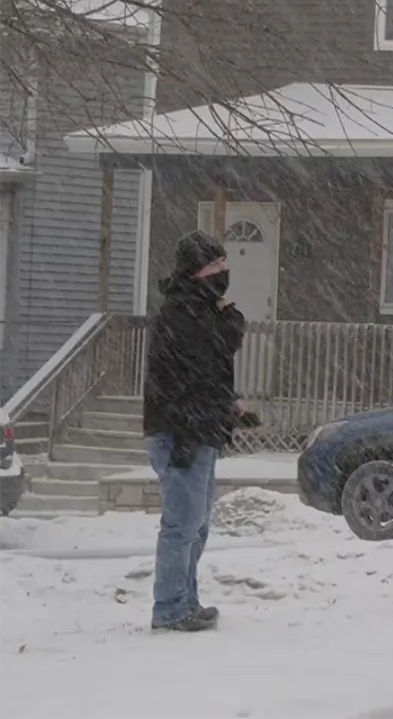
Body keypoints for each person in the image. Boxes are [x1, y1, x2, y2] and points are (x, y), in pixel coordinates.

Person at [143, 230, 247, 631]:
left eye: (225, 264)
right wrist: (231, 322)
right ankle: (169, 607)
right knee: (181, 524)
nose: (224, 272)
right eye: (217, 266)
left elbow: (209, 373)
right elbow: (193, 370)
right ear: (198, 271)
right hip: (180, 432)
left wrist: (230, 404)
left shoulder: (201, 310)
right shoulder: (183, 313)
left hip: (199, 429)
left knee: (197, 524)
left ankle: (185, 599)